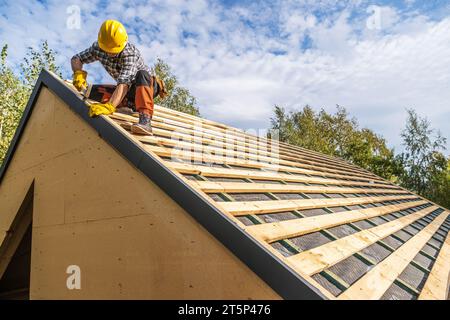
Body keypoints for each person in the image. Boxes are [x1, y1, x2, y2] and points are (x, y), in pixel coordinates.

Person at [71, 19, 156, 135]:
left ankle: (145, 121)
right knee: (90, 91)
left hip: (146, 85)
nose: (111, 54)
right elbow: (76, 59)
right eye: (108, 50)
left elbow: (124, 83)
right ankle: (130, 105)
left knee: (142, 74)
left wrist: (110, 106)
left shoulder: (130, 54)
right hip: (128, 90)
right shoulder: (98, 48)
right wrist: (78, 73)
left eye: (114, 51)